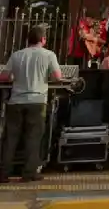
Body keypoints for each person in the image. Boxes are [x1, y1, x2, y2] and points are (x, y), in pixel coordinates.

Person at [0, 26, 62, 183]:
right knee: (33, 138)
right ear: (43, 40)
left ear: (28, 40)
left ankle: (3, 173)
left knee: (10, 138)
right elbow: (57, 77)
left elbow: (4, 76)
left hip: (16, 101)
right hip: (37, 101)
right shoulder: (49, 55)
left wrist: (14, 78)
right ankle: (29, 173)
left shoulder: (17, 55)